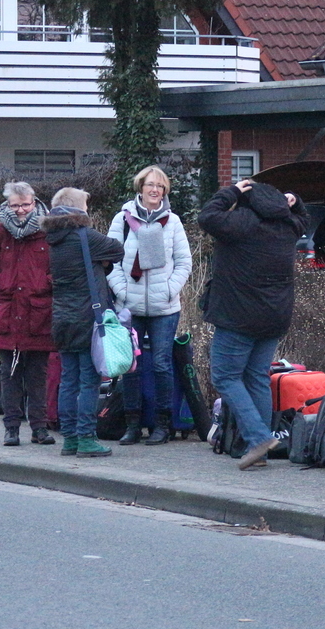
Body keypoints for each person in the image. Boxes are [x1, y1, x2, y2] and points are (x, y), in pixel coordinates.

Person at [199, 179, 308, 470]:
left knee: (225, 377)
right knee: (257, 377)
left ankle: (259, 438)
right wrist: (294, 198)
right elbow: (303, 216)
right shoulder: (288, 225)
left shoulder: (240, 222)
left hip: (238, 316)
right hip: (274, 316)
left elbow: (207, 216)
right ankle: (259, 450)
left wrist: (231, 191)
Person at [107, 166, 192, 446]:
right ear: (140, 188)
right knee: (130, 366)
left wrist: (169, 290)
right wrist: (122, 291)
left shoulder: (173, 221)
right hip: (129, 307)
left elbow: (184, 262)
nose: (155, 190)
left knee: (161, 364)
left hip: (164, 308)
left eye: (160, 186)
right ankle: (132, 425)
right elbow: (109, 261)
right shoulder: (122, 219)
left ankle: (162, 424)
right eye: (150, 185)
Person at [41, 187, 124, 458]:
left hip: (62, 319)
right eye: (86, 207)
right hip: (88, 319)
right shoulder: (84, 236)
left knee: (68, 381)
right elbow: (117, 249)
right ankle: (87, 438)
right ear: (78, 209)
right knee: (89, 381)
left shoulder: (53, 239)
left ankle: (70, 439)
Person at [0, 182, 57, 447]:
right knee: (9, 375)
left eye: (25, 205)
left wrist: (45, 284)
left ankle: (40, 428)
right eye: (15, 205)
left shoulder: (48, 231)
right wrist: (3, 283)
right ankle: (11, 428)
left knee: (38, 376)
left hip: (39, 313)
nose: (20, 210)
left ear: (35, 202)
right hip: (9, 314)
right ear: (7, 206)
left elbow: (60, 266)